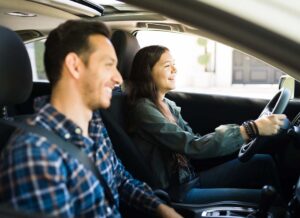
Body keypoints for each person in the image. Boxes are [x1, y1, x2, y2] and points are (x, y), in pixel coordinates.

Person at [0, 21, 182, 218]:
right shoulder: (35, 154)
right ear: (75, 66)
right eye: (108, 65)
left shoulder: (94, 125)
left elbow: (120, 180)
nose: (118, 78)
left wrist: (160, 208)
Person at [126, 45, 287, 203]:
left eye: (174, 64)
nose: (175, 70)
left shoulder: (167, 104)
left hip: (190, 178)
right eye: (167, 66)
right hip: (177, 192)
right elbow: (192, 145)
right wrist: (251, 129)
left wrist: (240, 134)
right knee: (270, 200)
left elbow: (195, 139)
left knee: (263, 162)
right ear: (148, 72)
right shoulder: (144, 110)